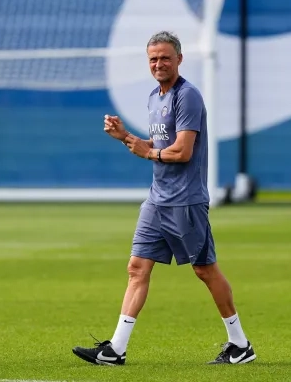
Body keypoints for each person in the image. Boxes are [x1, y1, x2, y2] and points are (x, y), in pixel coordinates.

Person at [71, 31, 256, 366]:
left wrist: (147, 152)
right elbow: (156, 148)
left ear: (179, 60)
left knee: (205, 271)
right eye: (153, 58)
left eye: (165, 57)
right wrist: (125, 136)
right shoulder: (154, 97)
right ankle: (116, 349)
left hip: (186, 201)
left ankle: (240, 344)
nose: (159, 63)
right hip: (158, 200)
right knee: (137, 267)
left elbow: (182, 152)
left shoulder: (188, 96)